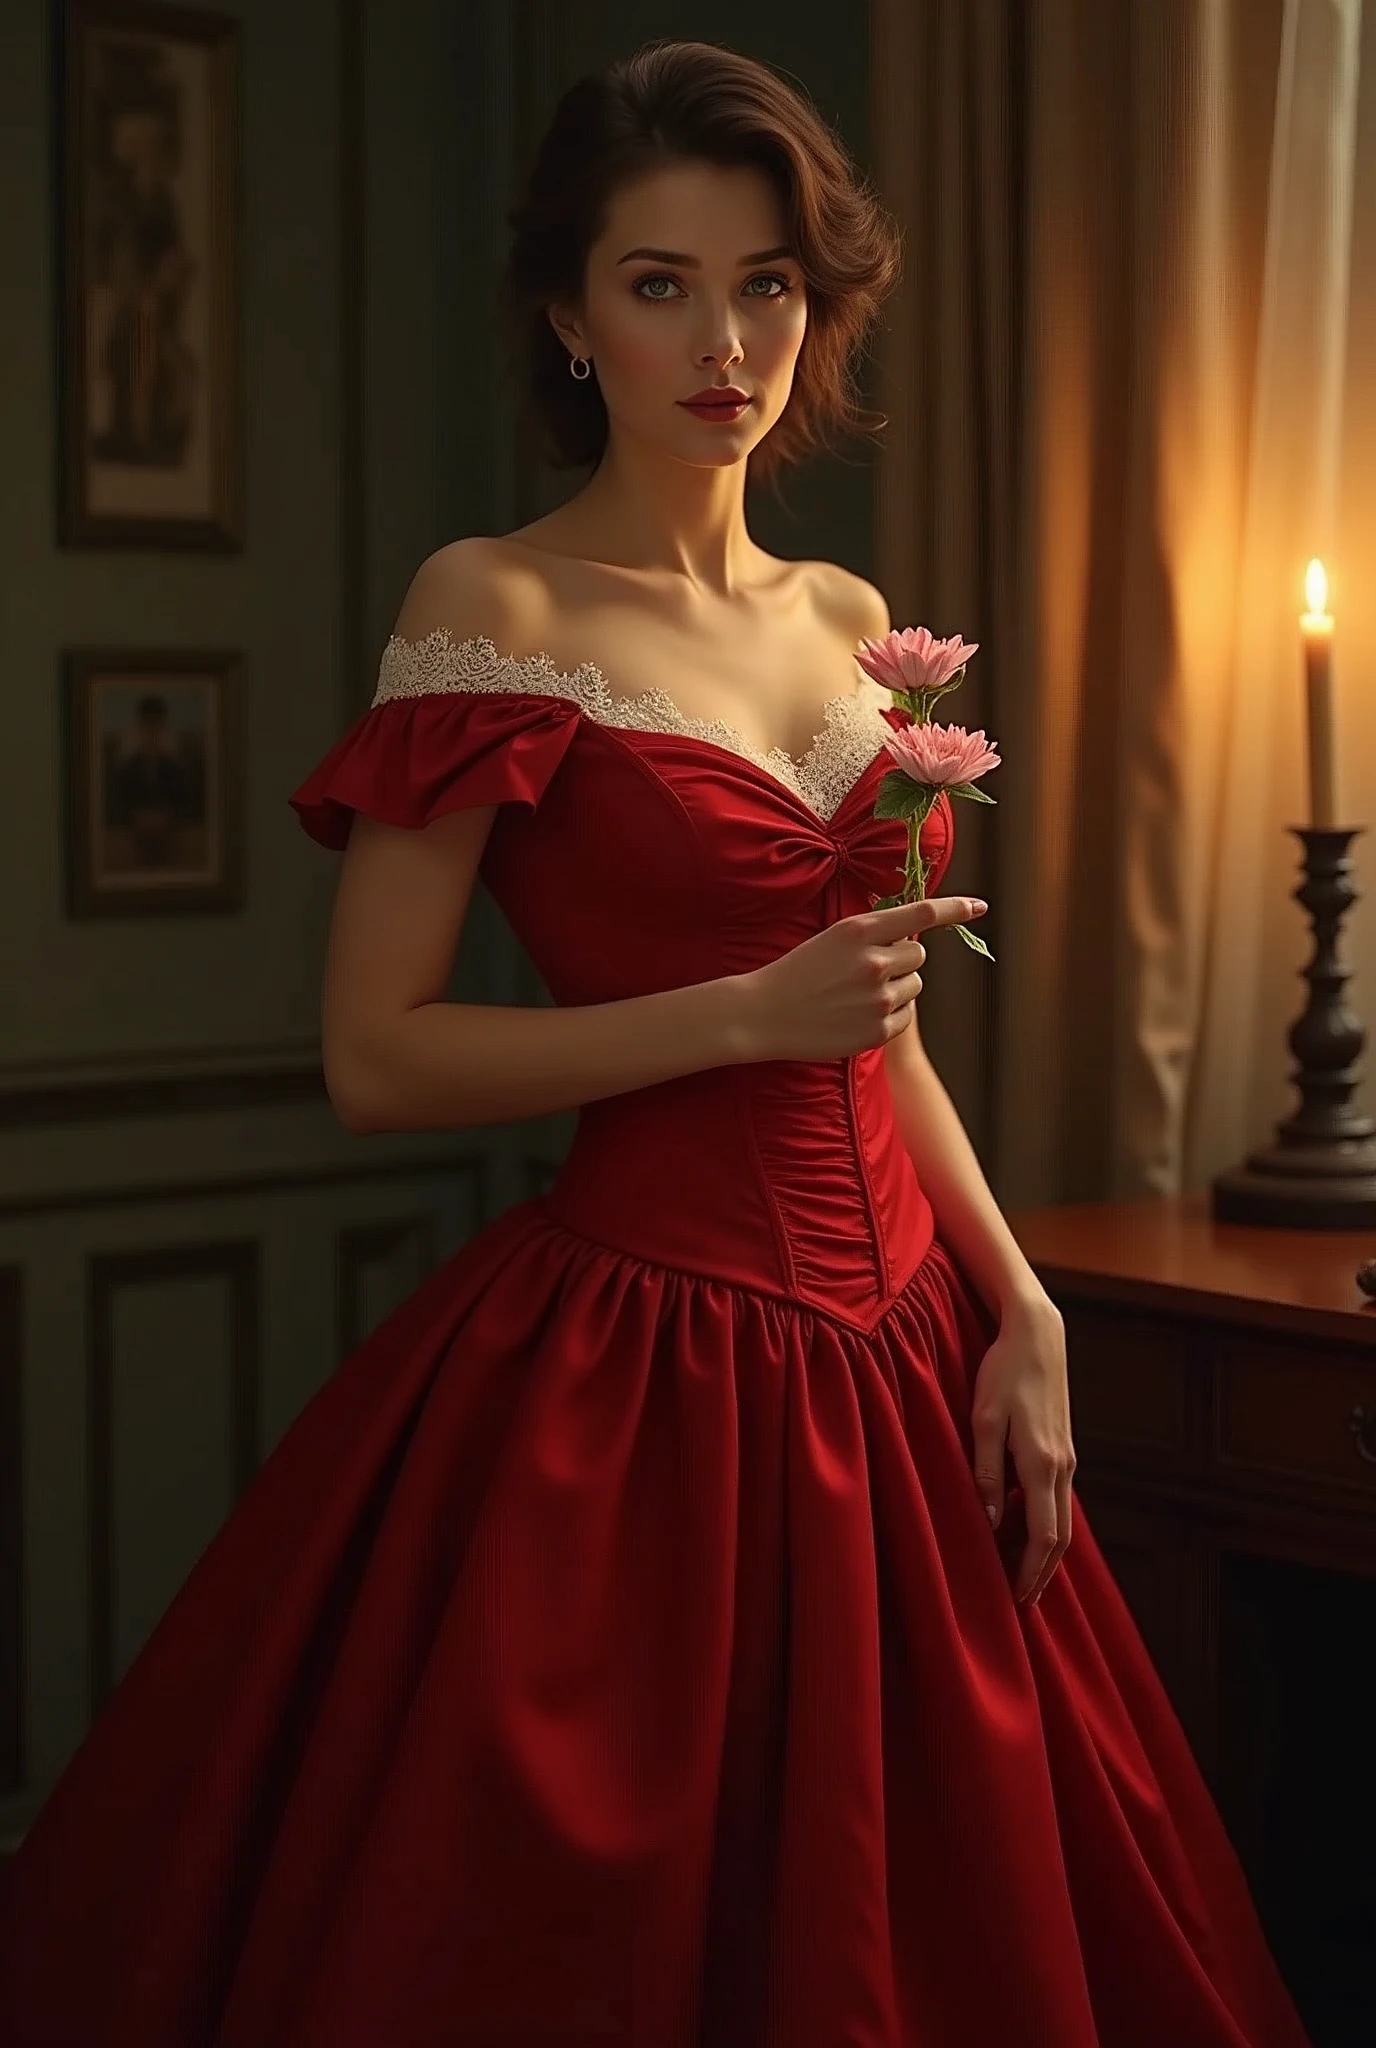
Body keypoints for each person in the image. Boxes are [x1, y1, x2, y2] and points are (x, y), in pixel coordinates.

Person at [0, 38, 1314, 2048]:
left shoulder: (847, 611)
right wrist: (731, 1016)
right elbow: (379, 1053)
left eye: (767, 283)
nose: (725, 340)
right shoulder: (497, 601)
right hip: (647, 1361)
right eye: (661, 282)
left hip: (903, 1354)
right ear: (567, 310)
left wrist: (1020, 1298)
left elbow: (873, 1029)